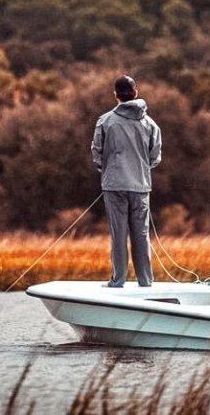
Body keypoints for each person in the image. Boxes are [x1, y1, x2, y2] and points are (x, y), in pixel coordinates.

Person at [91, 75, 162, 287]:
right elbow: (155, 156)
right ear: (135, 93)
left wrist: (108, 170)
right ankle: (146, 281)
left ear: (115, 95)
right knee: (141, 235)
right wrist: (139, 169)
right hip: (141, 185)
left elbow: (97, 153)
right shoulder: (150, 124)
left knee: (118, 234)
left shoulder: (105, 121)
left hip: (114, 185)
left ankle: (117, 280)